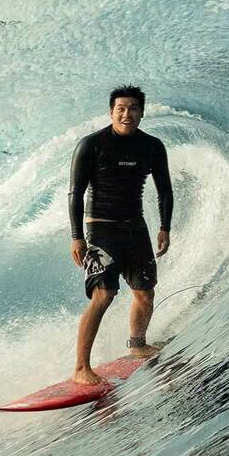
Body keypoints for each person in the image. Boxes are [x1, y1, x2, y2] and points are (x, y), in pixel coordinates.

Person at [68, 85, 174, 385]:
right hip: (101, 230)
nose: (127, 114)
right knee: (104, 295)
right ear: (111, 111)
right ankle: (80, 369)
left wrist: (164, 227)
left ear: (142, 112)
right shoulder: (91, 145)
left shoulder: (152, 146)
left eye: (134, 108)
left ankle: (137, 345)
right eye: (121, 109)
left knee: (144, 292)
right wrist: (77, 237)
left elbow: (165, 191)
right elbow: (75, 193)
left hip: (135, 227)